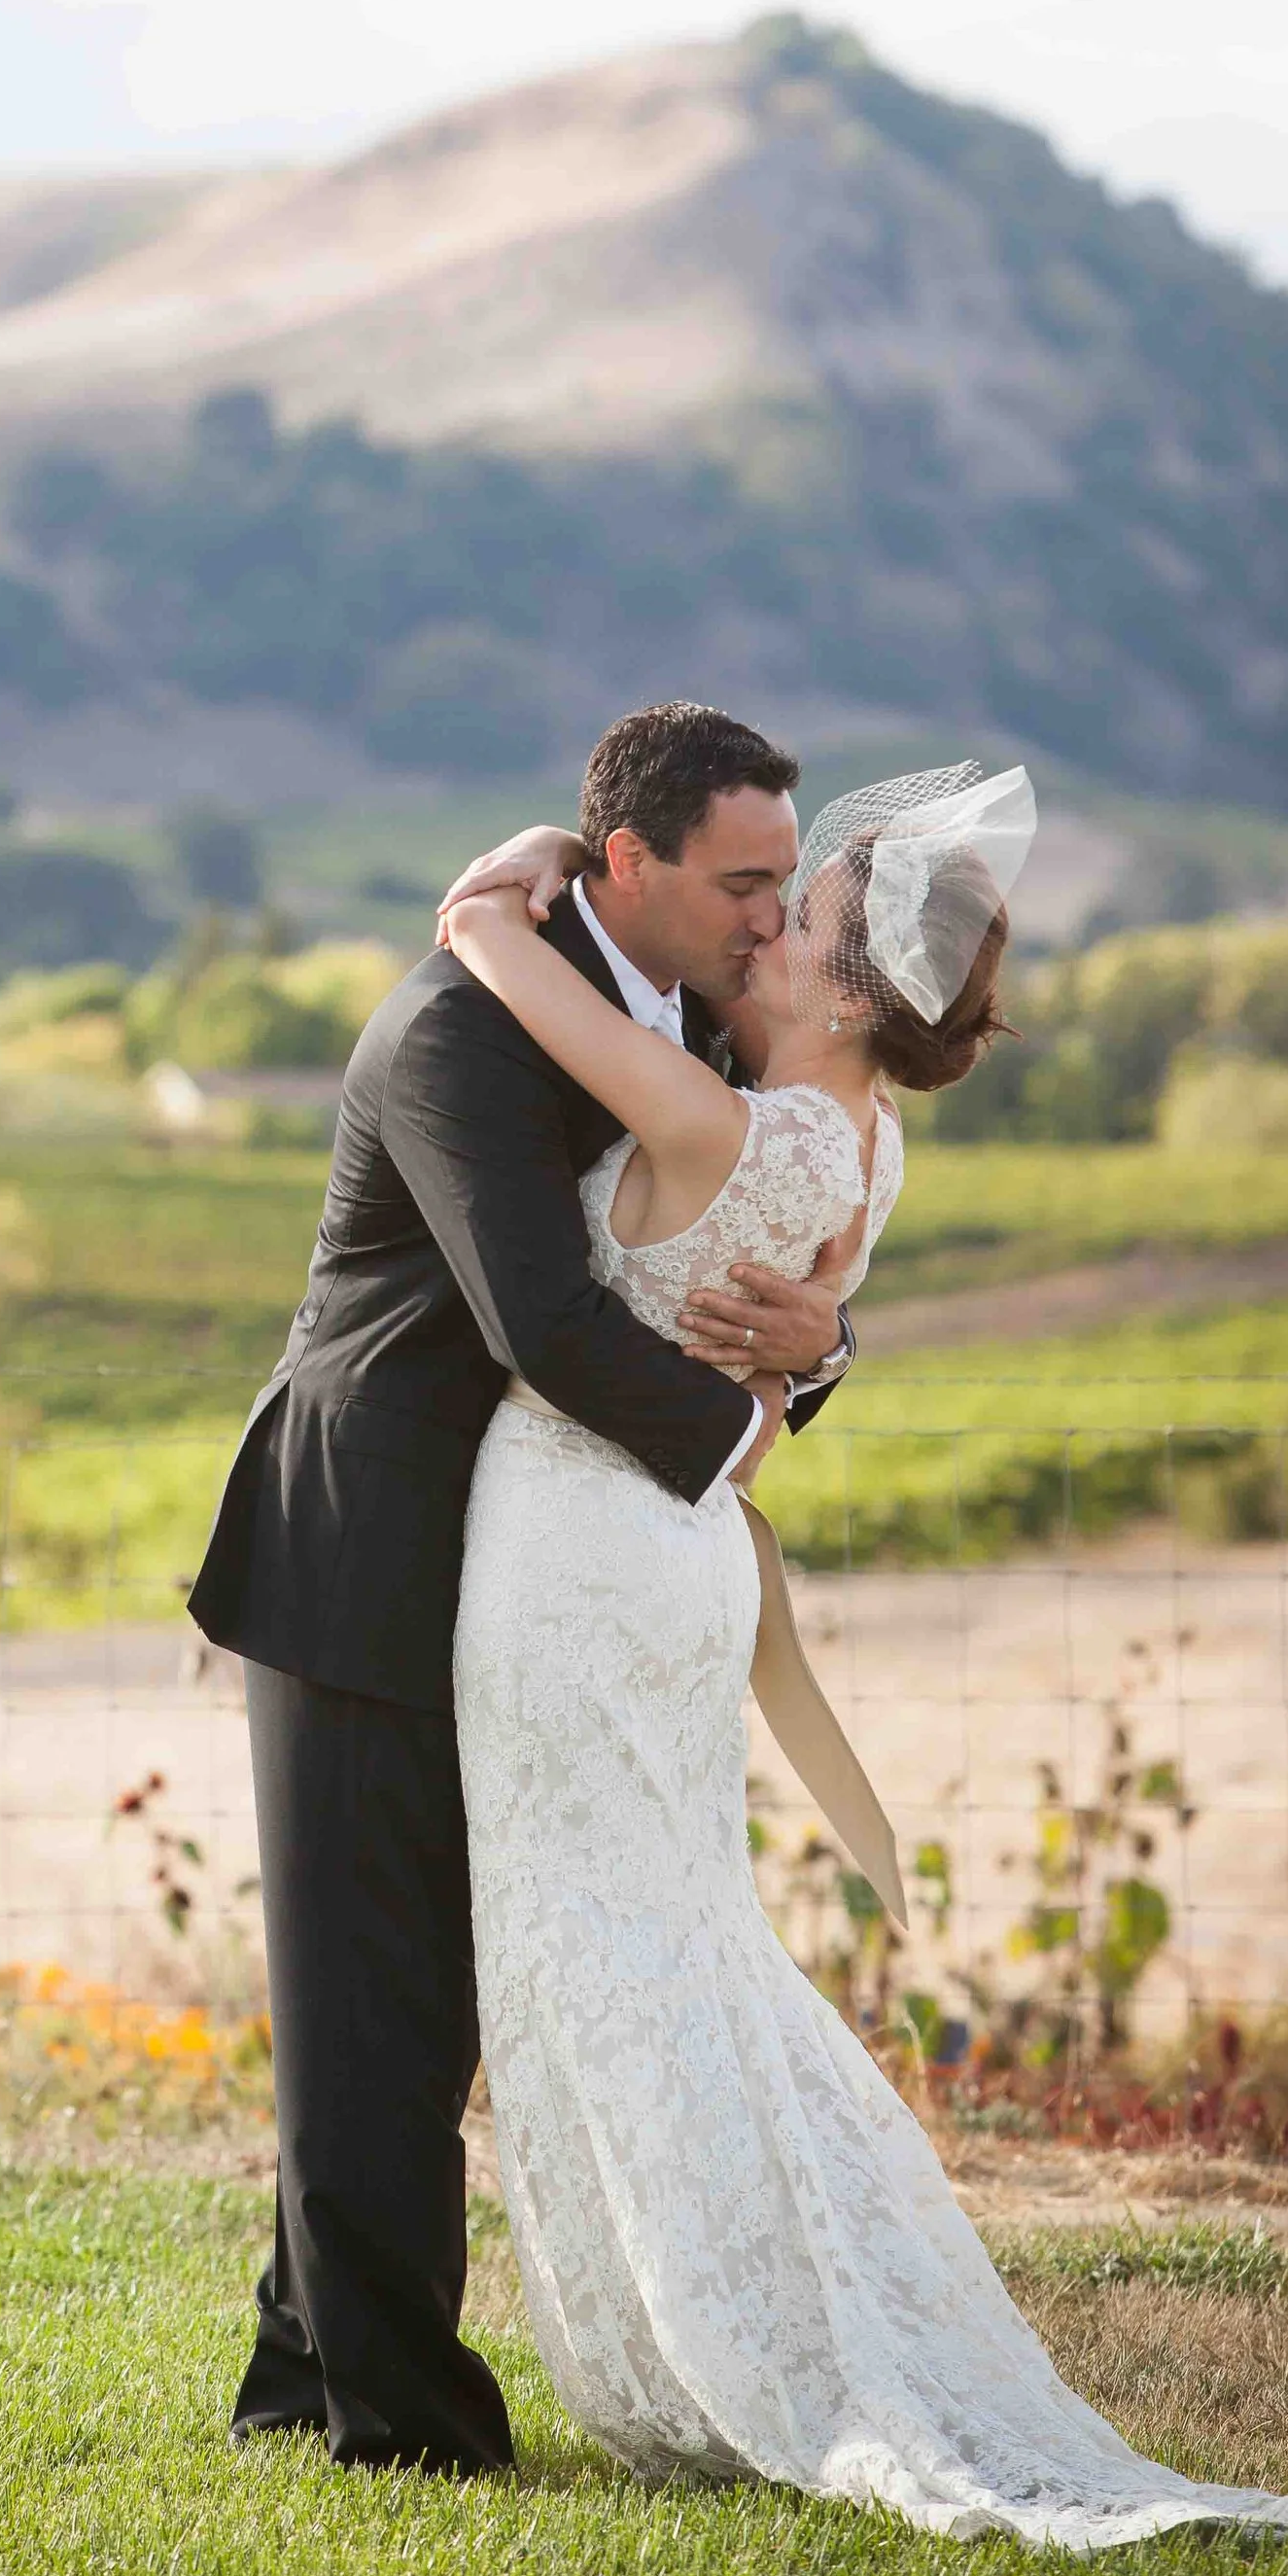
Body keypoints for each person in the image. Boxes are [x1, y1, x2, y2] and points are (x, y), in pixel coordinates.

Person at [435, 758, 1288, 2544]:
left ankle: (698, 2342)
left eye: (808, 914)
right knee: (677, 1937)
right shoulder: (871, 1151)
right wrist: (808, 1349)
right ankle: (760, 2306)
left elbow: (477, 940)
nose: (772, 924)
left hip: (574, 1558)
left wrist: (537, 863)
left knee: (591, 1943)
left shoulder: (723, 1131)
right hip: (684, 1558)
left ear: (855, 983)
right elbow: (764, 1408)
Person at [188, 702, 856, 2475]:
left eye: (785, 884)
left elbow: (723, 1248)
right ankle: (403, 2430)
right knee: (367, 2004)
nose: (771, 924)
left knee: (438, 1997)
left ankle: (296, 2375)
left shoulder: (684, 1001)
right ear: (623, 862)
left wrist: (821, 1344)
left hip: (522, 1570)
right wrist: (739, 1449)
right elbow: (544, 1321)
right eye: (740, 883)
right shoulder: (455, 1028)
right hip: (366, 1540)